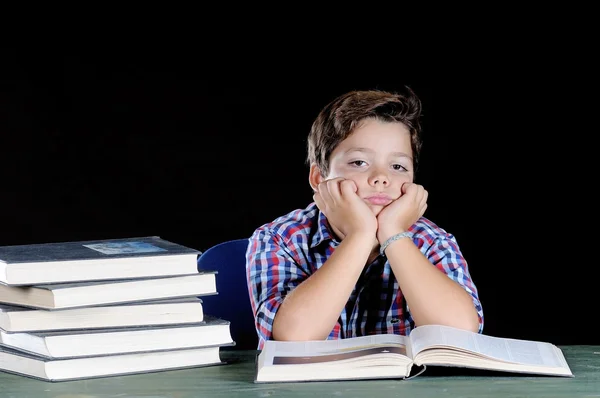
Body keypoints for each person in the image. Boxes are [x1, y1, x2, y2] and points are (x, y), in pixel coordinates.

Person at [245, 86, 483, 349]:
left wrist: (394, 233)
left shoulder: (432, 241)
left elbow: (461, 334)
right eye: (359, 162)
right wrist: (360, 235)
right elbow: (293, 338)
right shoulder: (280, 238)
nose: (381, 177)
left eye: (398, 166)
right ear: (319, 178)